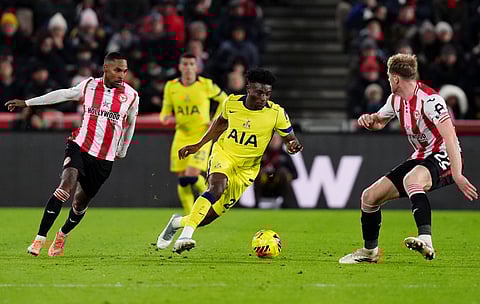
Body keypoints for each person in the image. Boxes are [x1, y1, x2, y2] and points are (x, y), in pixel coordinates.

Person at [339, 53, 478, 264]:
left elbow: (450, 135)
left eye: (388, 76)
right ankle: (370, 252)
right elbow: (379, 122)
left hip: (444, 155)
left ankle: (426, 240)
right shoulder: (395, 100)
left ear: (395, 78)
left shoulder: (430, 100)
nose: (387, 80)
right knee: (369, 197)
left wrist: (457, 173)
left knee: (412, 180)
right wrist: (369, 120)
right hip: (421, 157)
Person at [5, 52, 139, 257]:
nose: (122, 75)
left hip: (105, 158)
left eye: (125, 71)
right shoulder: (89, 86)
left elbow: (131, 124)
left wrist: (123, 148)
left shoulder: (131, 96)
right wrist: (28, 102)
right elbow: (63, 94)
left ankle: (62, 234)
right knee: (65, 187)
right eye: (117, 70)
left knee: (79, 204)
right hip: (79, 146)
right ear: (105, 68)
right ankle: (39, 239)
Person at [156, 68, 303, 254]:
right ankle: (186, 235)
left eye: (267, 94)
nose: (263, 98)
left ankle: (177, 222)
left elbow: (290, 138)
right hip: (224, 154)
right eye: (259, 93)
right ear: (248, 88)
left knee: (209, 216)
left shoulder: (276, 113)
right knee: (216, 188)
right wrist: (199, 145)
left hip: (247, 169)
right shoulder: (232, 103)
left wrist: (293, 145)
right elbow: (220, 124)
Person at [159, 52, 227, 215]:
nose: (188, 68)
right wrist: (165, 117)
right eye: (185, 64)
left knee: (191, 175)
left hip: (201, 137)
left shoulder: (206, 84)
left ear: (196, 67)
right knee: (182, 179)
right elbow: (165, 110)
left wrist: (216, 119)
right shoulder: (171, 86)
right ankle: (192, 215)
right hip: (181, 135)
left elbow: (224, 99)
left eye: (191, 64)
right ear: (180, 66)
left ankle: (212, 200)